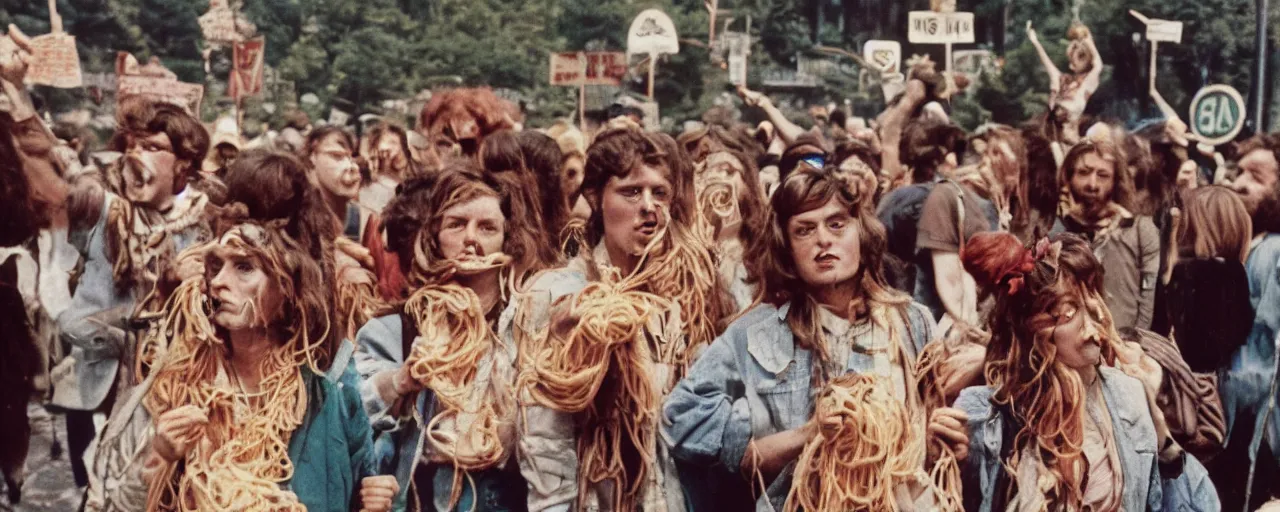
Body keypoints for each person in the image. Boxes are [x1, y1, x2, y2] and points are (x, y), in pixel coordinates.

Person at [663, 165, 938, 510]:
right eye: (805, 230)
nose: (824, 239)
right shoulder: (755, 335)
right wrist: (793, 435)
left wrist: (944, 441)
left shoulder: (912, 322)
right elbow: (680, 417)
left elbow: (932, 421)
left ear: (860, 232)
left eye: (836, 224)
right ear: (787, 249)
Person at [517, 127, 729, 511]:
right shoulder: (558, 292)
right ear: (595, 198)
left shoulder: (685, 299)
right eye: (631, 192)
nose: (648, 206)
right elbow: (542, 433)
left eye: (659, 192)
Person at [136, 202, 380, 512]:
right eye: (216, 267)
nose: (219, 282)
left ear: (287, 288)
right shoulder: (179, 384)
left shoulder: (332, 395)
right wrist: (163, 459)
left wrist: (378, 502)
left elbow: (365, 487)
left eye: (244, 267)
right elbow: (123, 497)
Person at [953, 232, 1219, 511]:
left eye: (1094, 301)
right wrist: (955, 461)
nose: (1096, 320)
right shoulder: (985, 412)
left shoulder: (1127, 394)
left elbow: (1188, 503)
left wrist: (1165, 445)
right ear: (1032, 330)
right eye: (1068, 313)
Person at [354, 164, 560, 511]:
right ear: (434, 235)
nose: (471, 239)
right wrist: (400, 380)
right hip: (426, 495)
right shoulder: (397, 327)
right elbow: (350, 412)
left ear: (506, 239)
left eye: (487, 227)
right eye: (456, 224)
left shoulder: (532, 324)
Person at [50, 96, 213, 491]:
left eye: (153, 147)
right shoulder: (104, 209)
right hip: (95, 386)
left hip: (165, 395)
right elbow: (49, 182)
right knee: (95, 494)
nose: (136, 156)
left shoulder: (207, 225)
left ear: (184, 165)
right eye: (131, 145)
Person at [1218, 133, 1280, 509]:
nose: (1239, 184)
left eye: (1256, 177)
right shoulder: (1248, 243)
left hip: (1261, 426)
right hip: (1237, 417)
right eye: (1238, 172)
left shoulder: (1273, 251)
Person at [1056, 139, 1160, 332]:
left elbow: (1149, 295)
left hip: (1124, 341)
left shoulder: (1138, 229)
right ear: (1068, 177)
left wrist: (1136, 338)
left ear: (1115, 181)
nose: (1092, 184)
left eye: (1103, 175)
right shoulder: (1055, 230)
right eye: (1083, 173)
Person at [876, 118, 968, 292]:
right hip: (922, 293)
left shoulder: (894, 196)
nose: (955, 160)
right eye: (949, 151)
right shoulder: (927, 197)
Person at [1027, 20, 1103, 147]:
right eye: (1072, 60)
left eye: (1076, 60)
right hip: (1053, 137)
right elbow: (1047, 63)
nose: (1071, 65)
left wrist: (1089, 42)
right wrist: (1035, 41)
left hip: (1071, 139)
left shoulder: (1086, 84)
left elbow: (1098, 65)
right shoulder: (1062, 80)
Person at [361, 122, 417, 213]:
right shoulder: (371, 184)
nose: (396, 151)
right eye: (391, 143)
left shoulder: (414, 184)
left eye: (395, 143)